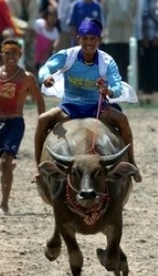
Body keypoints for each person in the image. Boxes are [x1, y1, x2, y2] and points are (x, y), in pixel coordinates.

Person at [33, 17, 142, 183]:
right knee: (42, 120)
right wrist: (46, 76)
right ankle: (39, 168)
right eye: (85, 38)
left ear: (100, 40)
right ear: (79, 39)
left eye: (93, 39)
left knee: (123, 120)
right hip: (70, 106)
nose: (89, 43)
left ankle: (132, 162)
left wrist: (109, 91)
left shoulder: (107, 61)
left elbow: (117, 85)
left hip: (97, 107)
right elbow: (46, 67)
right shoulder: (67, 56)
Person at [0, 38, 45, 214]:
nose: (10, 56)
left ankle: (4, 204)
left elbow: (39, 99)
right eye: (7, 52)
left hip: (15, 122)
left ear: (20, 55)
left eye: (14, 52)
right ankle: (4, 167)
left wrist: (42, 119)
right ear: (1, 54)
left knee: (7, 159)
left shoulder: (27, 78)